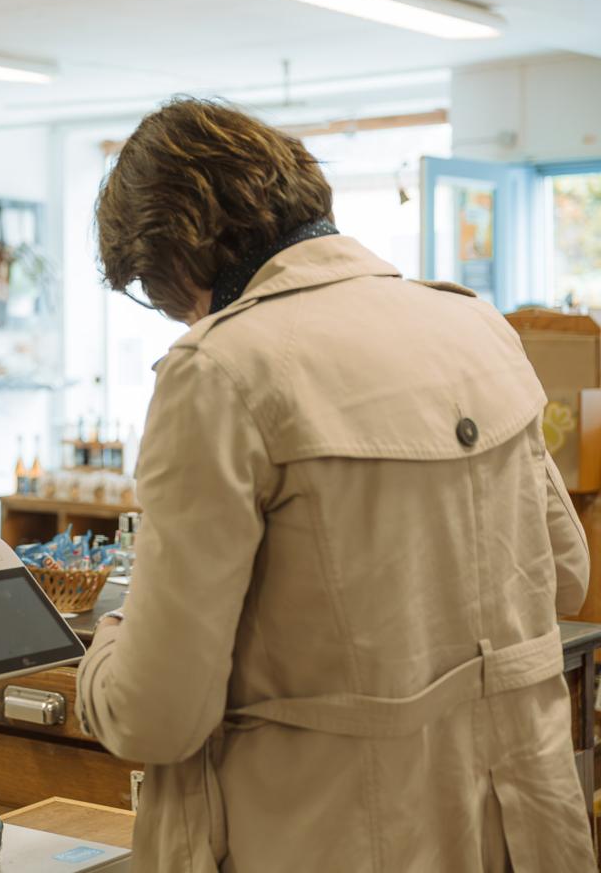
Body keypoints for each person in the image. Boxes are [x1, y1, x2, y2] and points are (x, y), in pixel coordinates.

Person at [76, 97, 594, 872]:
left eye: (156, 293)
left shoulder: (220, 368)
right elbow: (564, 574)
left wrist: (104, 653)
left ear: (177, 253)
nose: (175, 317)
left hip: (327, 835)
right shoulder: (473, 324)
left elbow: (155, 717)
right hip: (519, 830)